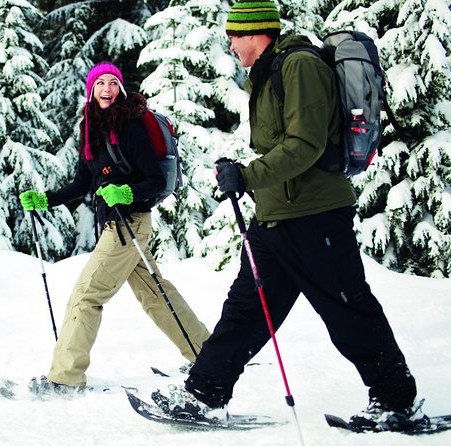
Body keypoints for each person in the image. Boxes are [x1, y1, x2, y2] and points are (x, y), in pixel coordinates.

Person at [152, 0, 426, 432]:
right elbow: (282, 144)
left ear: (257, 33)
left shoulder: (299, 67)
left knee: (347, 310)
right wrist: (242, 171)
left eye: (235, 35)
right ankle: (204, 394)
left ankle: (396, 400)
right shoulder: (269, 73)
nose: (230, 43)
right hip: (277, 214)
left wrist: (247, 174)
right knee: (246, 308)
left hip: (316, 215)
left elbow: (305, 144)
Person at [19, 62, 210, 395]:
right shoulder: (90, 128)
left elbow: (154, 180)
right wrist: (46, 200)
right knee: (155, 295)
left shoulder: (131, 126)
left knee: (86, 295)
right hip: (121, 226)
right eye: (100, 84)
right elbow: (84, 182)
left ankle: (65, 378)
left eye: (112, 83)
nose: (106, 89)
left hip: (128, 224)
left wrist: (126, 193)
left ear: (120, 89)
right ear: (91, 91)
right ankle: (208, 355)